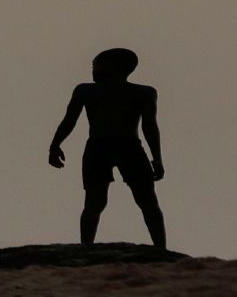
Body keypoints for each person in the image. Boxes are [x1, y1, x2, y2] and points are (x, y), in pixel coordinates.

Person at [48, 47, 166, 248]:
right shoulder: (88, 90)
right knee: (97, 202)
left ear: (115, 68)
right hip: (106, 147)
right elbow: (69, 120)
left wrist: (157, 158)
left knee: (144, 201)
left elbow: (149, 127)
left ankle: (160, 248)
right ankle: (87, 247)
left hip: (119, 148)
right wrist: (55, 145)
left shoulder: (142, 93)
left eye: (96, 67)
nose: (93, 71)